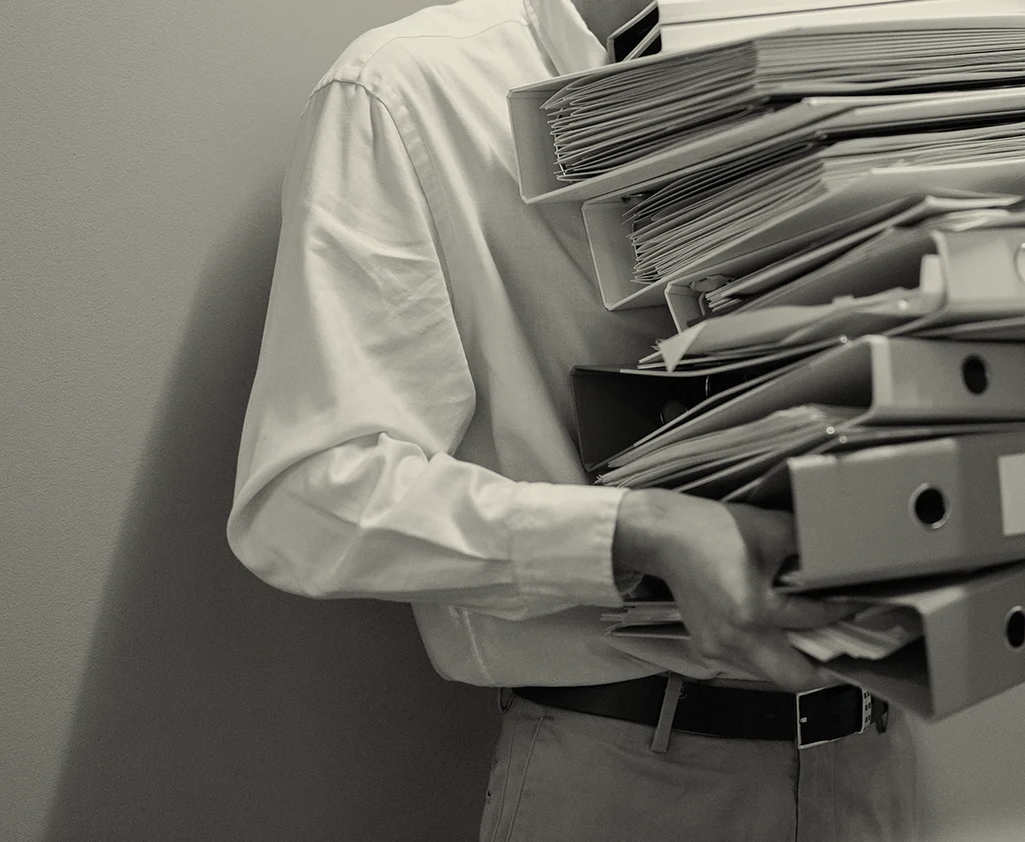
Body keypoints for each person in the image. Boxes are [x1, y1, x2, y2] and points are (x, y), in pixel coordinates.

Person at [225, 1, 919, 838]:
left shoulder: (868, 60)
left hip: (878, 761)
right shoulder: (407, 90)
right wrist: (635, 531)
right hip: (630, 775)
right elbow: (309, 495)